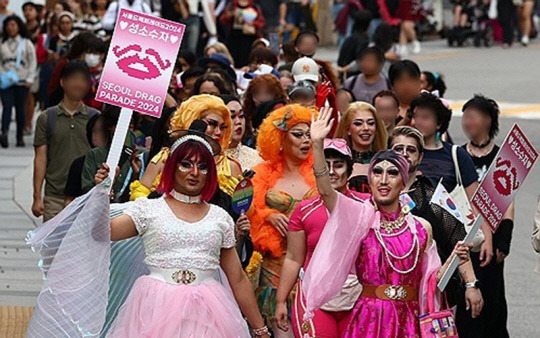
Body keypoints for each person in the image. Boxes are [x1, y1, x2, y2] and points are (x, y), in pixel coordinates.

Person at [34, 121, 271, 338]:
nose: (194, 173)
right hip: (154, 307)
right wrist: (102, 194)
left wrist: (260, 329)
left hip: (210, 312)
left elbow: (237, 278)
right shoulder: (148, 209)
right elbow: (101, 233)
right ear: (172, 168)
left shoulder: (220, 217)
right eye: (186, 164)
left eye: (202, 167)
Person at [301, 106, 472, 337]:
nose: (383, 180)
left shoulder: (421, 228)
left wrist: (452, 261)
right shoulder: (360, 218)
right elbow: (326, 191)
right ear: (369, 180)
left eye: (392, 173)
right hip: (368, 320)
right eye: (377, 172)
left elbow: (430, 282)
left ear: (403, 182)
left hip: (408, 320)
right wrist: (317, 145)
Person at [388, 126, 484, 323]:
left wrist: (471, 284)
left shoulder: (434, 196)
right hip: (386, 296)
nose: (404, 154)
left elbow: (460, 241)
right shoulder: (376, 195)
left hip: (431, 293)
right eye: (398, 149)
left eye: (411, 150)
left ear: (421, 157)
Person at [275, 138, 366, 337]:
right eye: (326, 165)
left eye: (339, 165)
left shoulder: (367, 206)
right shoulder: (304, 210)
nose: (331, 171)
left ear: (350, 171)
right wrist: (281, 301)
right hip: (312, 296)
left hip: (359, 296)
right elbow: (293, 258)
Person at [248, 104, 317, 337]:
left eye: (309, 134)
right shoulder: (260, 174)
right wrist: (267, 215)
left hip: (313, 269)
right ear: (279, 137)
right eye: (298, 135)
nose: (305, 140)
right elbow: (248, 211)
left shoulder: (321, 173)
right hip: (274, 267)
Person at [410, 91, 494, 268]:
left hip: (450, 239)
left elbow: (475, 199)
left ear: (439, 123)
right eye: (416, 116)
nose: (418, 122)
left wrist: (487, 237)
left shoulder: (456, 154)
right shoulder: (403, 153)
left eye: (425, 117)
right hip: (411, 238)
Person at [461, 94, 513, 337]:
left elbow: (508, 203)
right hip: (465, 239)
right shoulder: (459, 155)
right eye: (465, 117)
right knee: (465, 304)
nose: (466, 122)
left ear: (487, 120)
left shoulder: (502, 158)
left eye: (472, 117)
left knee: (493, 301)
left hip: (493, 242)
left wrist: (504, 240)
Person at [130, 94, 242, 199]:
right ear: (191, 121)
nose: (218, 132)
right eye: (212, 124)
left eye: (223, 127)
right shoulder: (164, 158)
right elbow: (139, 195)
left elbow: (243, 210)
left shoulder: (229, 167)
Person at [32, 60, 98, 221]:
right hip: (55, 197)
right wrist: (37, 197)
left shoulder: (95, 118)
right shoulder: (47, 118)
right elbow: (40, 158)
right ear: (62, 82)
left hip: (86, 197)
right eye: (74, 79)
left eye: (83, 80)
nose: (78, 84)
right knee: (53, 245)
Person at [0, 15, 37, 148]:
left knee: (20, 109)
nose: (11, 28)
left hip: (22, 79)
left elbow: (33, 61)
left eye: (13, 25)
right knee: (7, 107)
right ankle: (4, 132)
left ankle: (19, 136)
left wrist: (30, 78)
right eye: (8, 25)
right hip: (5, 80)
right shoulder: (2, 42)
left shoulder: (26, 43)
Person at [335, 101, 387, 193]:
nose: (366, 128)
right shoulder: (336, 163)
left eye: (371, 123)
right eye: (358, 124)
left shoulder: (387, 161)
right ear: (348, 129)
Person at [63, 112, 109, 206]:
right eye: (97, 131)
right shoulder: (80, 164)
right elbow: (69, 200)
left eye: (104, 131)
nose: (100, 136)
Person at [220, 0, 266, 68]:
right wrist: (230, 15)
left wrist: (252, 23)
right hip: (234, 38)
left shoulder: (254, 6)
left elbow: (261, 22)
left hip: (249, 38)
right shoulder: (232, 5)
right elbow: (223, 20)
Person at [222, 95, 262, 170]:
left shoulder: (256, 158)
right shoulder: (207, 158)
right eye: (232, 116)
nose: (238, 122)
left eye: (241, 116)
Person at [388, 60, 421, 125]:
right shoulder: (387, 113)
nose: (406, 86)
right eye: (401, 81)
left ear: (419, 82)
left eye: (411, 80)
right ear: (392, 86)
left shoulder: (429, 108)